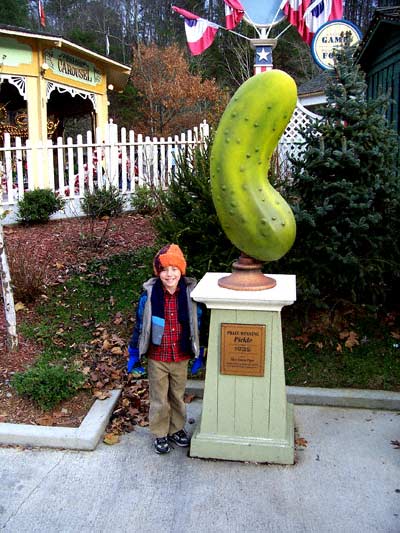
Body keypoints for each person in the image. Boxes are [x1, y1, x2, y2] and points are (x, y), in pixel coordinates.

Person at [127, 244, 204, 454]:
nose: (169, 274)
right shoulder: (150, 297)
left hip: (180, 355)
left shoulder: (190, 297)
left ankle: (176, 429)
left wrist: (200, 351)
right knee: (159, 398)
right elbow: (140, 326)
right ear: (158, 272)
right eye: (164, 270)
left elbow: (197, 325)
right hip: (157, 357)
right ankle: (160, 433)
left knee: (177, 396)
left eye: (174, 269)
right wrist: (134, 352)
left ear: (181, 271)